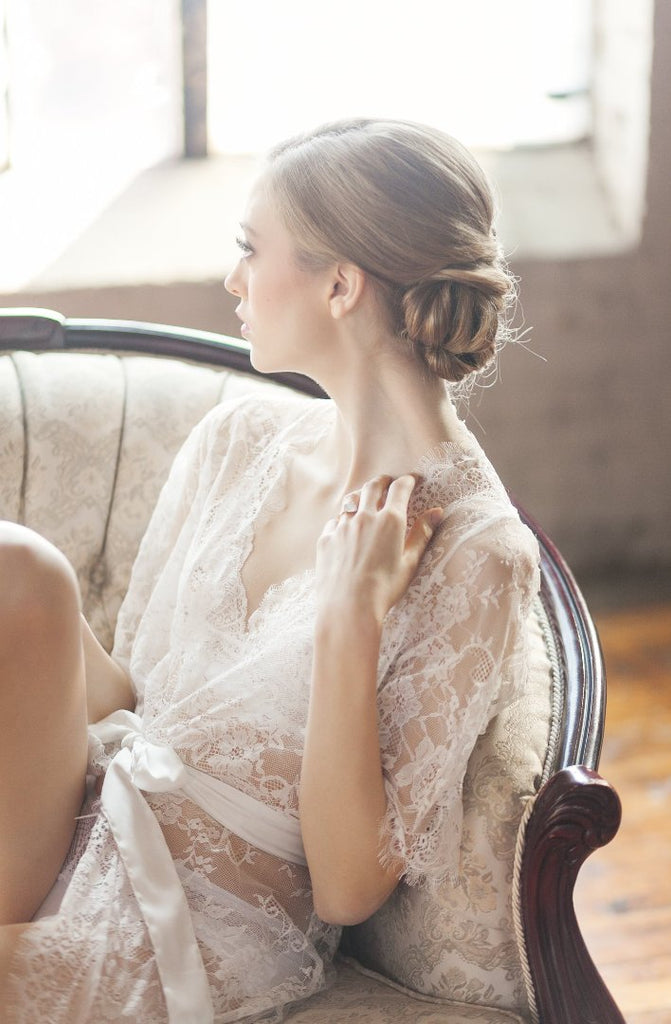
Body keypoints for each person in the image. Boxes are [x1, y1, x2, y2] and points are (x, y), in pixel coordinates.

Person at [0, 118, 539, 1022]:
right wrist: (34, 622)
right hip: (76, 812)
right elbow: (130, 698)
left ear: (339, 285)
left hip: (194, 922)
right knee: (22, 572)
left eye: (251, 249)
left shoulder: (477, 552)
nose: (232, 279)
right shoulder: (237, 440)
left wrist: (349, 618)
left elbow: (345, 888)